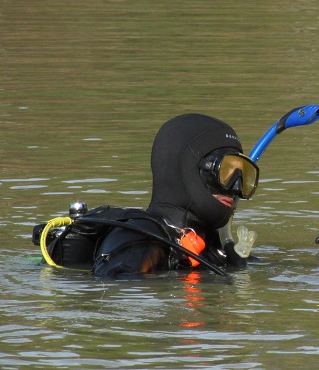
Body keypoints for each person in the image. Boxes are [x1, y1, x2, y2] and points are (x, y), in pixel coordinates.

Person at [36, 114, 260, 277]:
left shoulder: (214, 249)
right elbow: (119, 293)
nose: (236, 187)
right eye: (225, 172)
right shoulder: (141, 240)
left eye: (244, 175)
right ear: (185, 170)